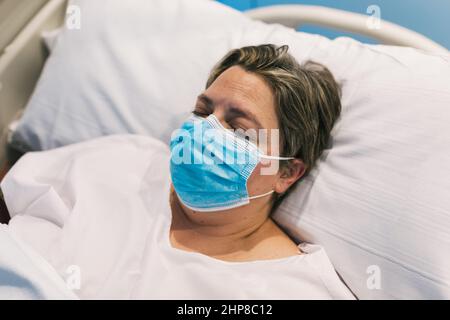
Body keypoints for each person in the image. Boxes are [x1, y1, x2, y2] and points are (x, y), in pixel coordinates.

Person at [2, 44, 355, 299]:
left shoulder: (295, 287)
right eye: (202, 112)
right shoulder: (124, 159)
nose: (205, 131)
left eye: (238, 129)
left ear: (287, 173)